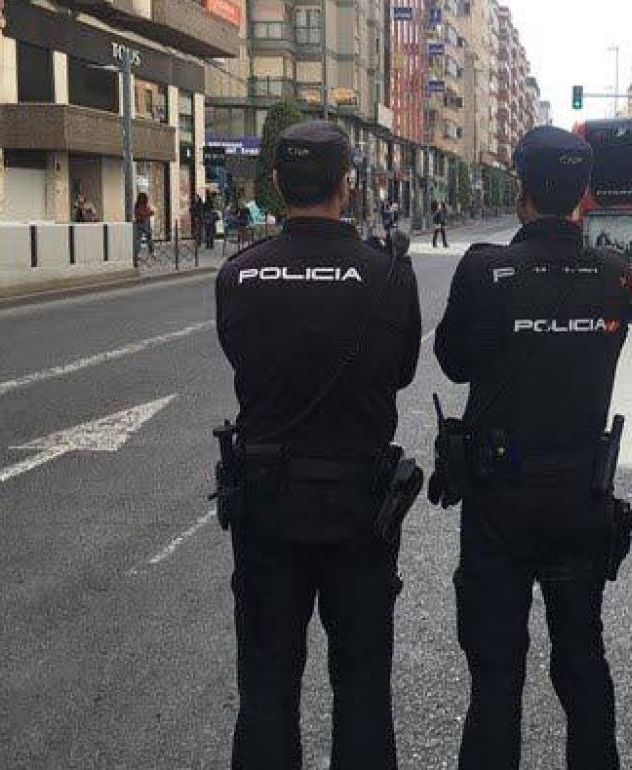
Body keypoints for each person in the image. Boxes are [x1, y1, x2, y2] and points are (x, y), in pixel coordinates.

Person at [215, 120, 422, 770]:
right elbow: (403, 372)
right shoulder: (388, 277)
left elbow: (242, 356)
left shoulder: (237, 275)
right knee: (362, 691)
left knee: (268, 691)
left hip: (267, 507)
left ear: (277, 185)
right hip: (361, 511)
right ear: (347, 185)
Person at [434, 126, 632, 770]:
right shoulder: (614, 277)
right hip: (581, 499)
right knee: (583, 668)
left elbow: (454, 363)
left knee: (496, 681)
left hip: (498, 506)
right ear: (584, 194)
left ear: (520, 190)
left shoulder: (485, 270)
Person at [134, 192, 155, 261]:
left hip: (143, 223)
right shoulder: (140, 205)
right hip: (142, 223)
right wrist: (149, 213)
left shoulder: (140, 205)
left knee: (140, 240)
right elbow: (142, 214)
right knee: (145, 239)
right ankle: (150, 253)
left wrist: (149, 213)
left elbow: (143, 213)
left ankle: (139, 254)